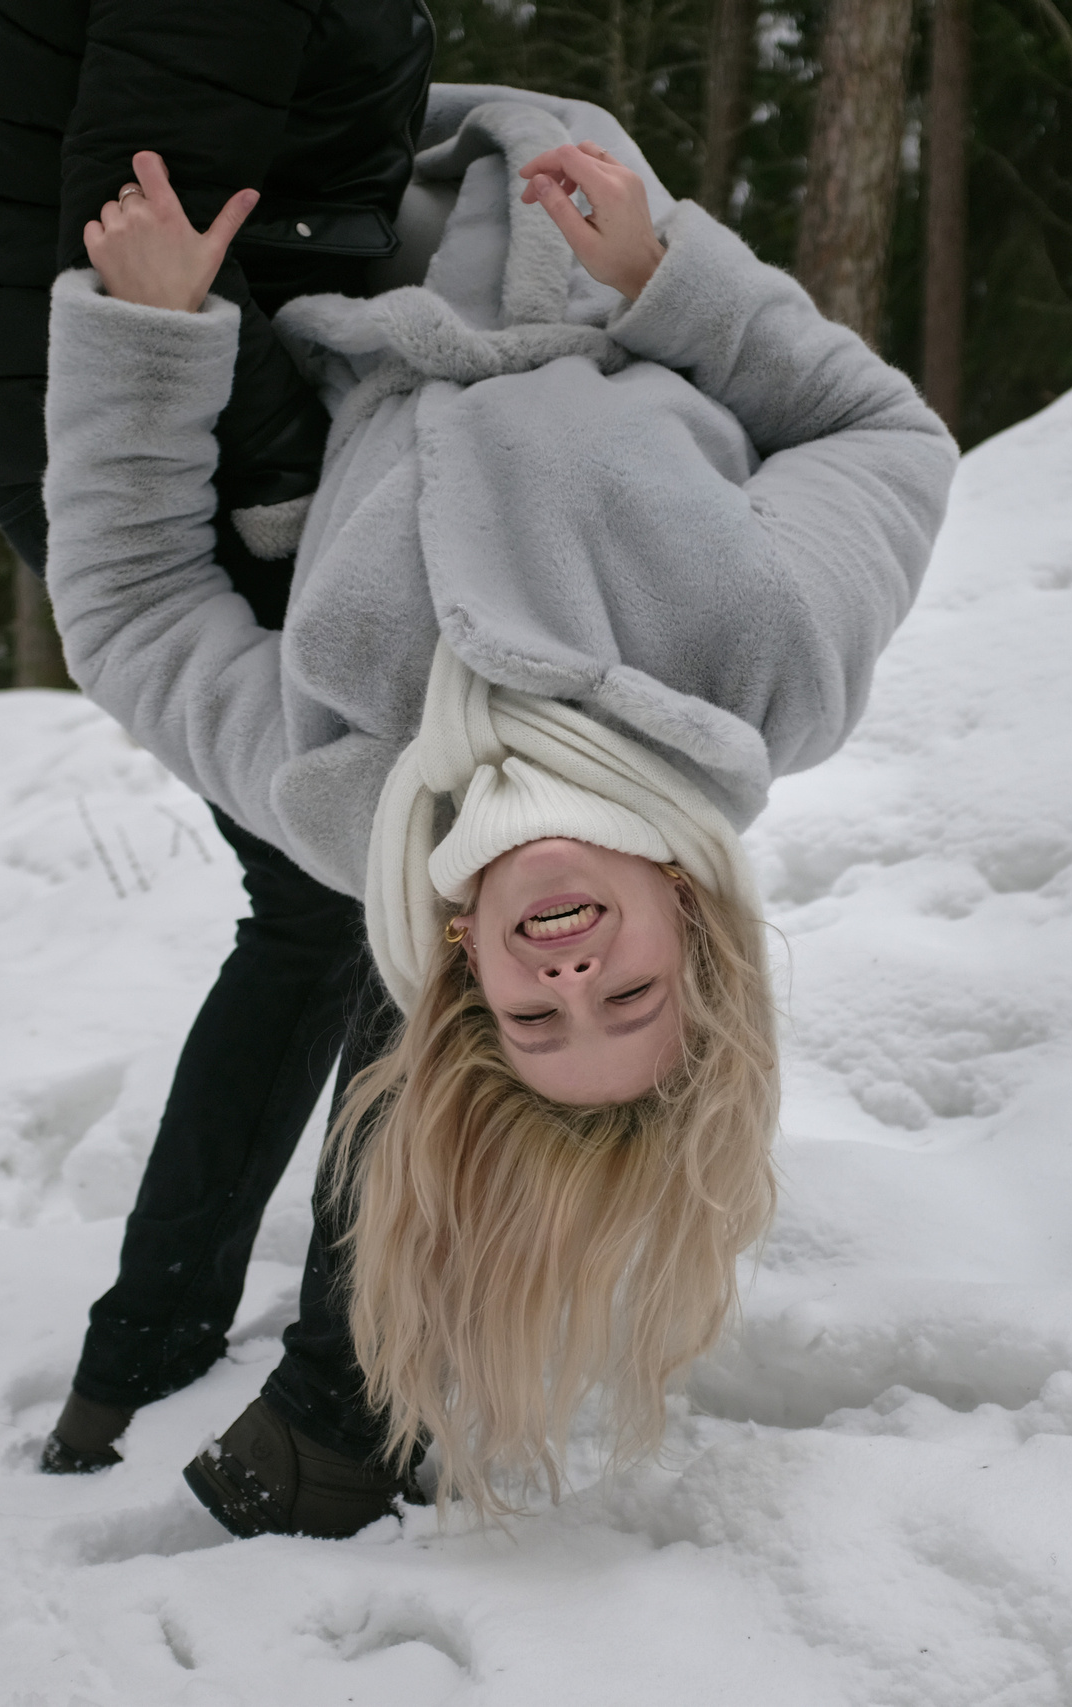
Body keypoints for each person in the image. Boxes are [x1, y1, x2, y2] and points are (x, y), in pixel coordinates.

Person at [46, 89, 958, 1527]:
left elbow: (129, 608)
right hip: (555, 220)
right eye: (629, 997)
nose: (573, 979)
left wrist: (151, 341)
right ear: (697, 938)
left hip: (296, 290)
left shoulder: (337, 796)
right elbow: (884, 436)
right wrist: (672, 286)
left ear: (469, 975)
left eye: (538, 1024)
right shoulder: (766, 670)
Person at [0, 0, 438, 1483]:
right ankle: (343, 1425)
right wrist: (309, 484)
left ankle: (146, 1363)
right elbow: (157, 249)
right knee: (408, 891)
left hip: (142, 442)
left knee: (321, 910)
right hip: (187, 459)